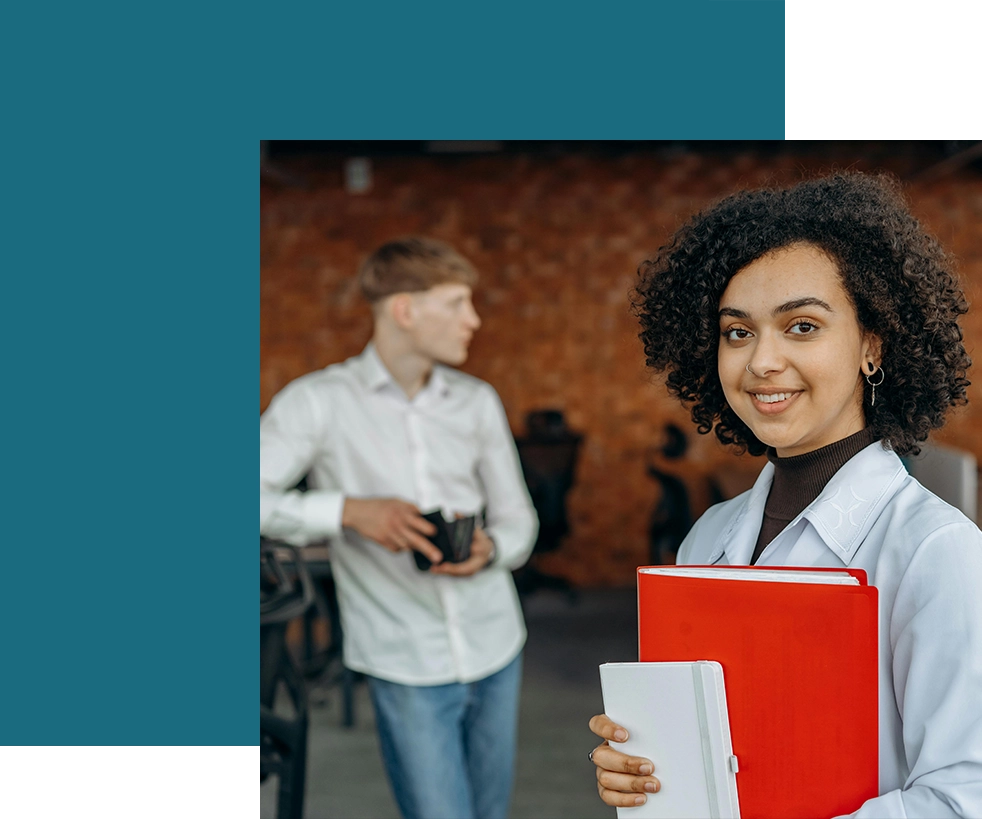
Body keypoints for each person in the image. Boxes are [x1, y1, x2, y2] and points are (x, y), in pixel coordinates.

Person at [588, 173, 982, 818]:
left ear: (871, 347)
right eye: (737, 332)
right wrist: (638, 768)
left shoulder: (936, 552)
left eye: (801, 326)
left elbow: (965, 798)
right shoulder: (709, 536)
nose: (761, 361)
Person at [260, 236, 538, 819]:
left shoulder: (477, 402)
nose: (475, 319)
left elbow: (519, 520)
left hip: (495, 646)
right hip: (404, 660)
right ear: (405, 310)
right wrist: (345, 511)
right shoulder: (318, 403)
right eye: (458, 303)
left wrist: (491, 549)